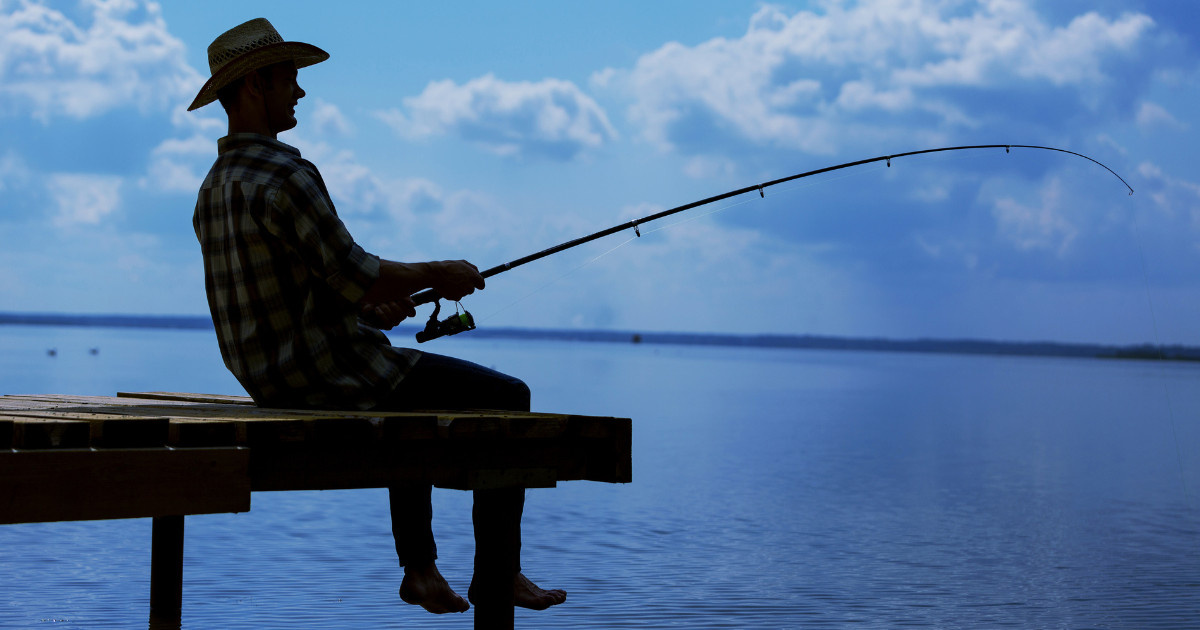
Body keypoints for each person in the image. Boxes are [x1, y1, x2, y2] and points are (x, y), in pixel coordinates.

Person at [187, 18, 566, 615]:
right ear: (256, 84)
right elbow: (356, 266)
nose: (301, 93)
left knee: (400, 390)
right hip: (325, 371)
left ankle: (420, 570)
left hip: (266, 379)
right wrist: (438, 272)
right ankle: (497, 574)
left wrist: (365, 307)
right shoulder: (286, 174)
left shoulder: (213, 188)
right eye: (290, 79)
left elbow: (313, 283)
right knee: (509, 397)